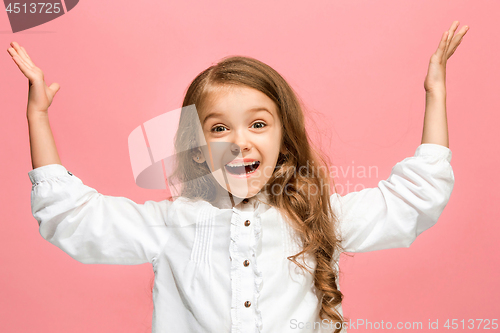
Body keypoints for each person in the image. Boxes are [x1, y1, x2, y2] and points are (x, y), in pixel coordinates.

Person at [9, 20, 467, 333]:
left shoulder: (321, 218)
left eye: (259, 124)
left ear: (285, 139)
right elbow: (72, 218)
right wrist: (38, 119)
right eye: (219, 128)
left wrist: (436, 95)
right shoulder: (172, 225)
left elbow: (414, 199)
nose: (240, 141)